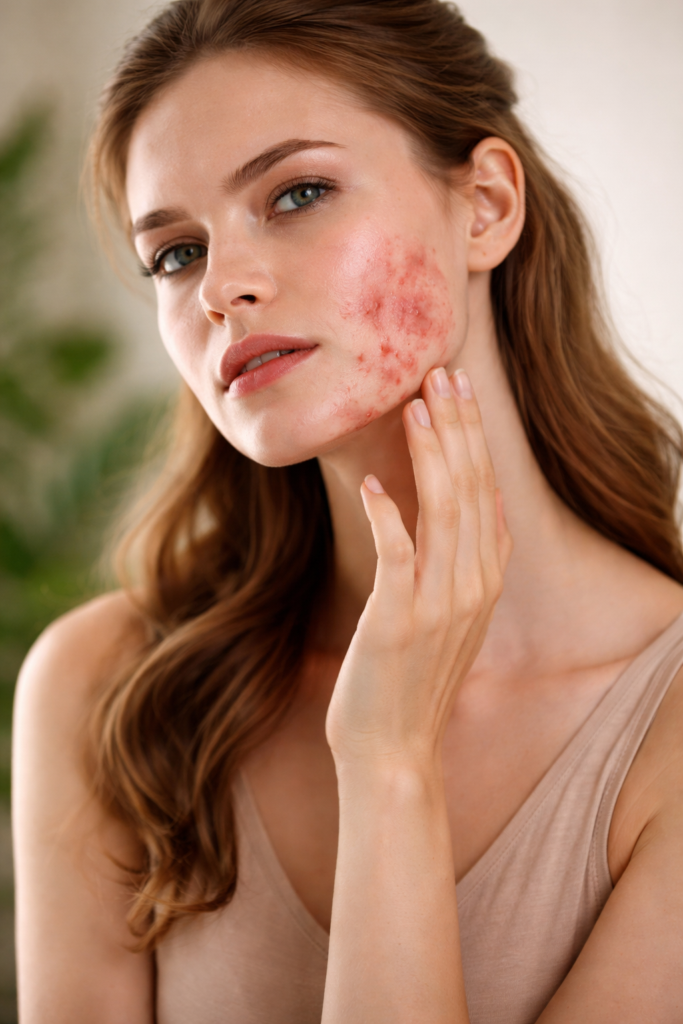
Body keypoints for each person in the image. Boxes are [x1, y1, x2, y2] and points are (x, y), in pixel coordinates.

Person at [12, 1, 683, 1021]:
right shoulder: (108, 689)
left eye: (298, 192)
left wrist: (388, 763)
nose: (220, 288)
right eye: (176, 253)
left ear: (486, 206)